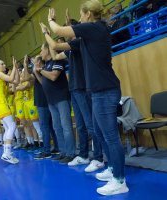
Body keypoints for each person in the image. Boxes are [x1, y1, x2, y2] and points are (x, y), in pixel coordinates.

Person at [46, 0, 128, 195]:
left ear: (88, 15)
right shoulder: (88, 35)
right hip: (98, 91)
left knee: (110, 136)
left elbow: (59, 30)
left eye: (81, 15)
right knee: (100, 134)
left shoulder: (94, 28)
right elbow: (59, 44)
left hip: (106, 90)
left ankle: (120, 180)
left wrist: (51, 20)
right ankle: (112, 169)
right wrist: (54, 30)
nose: (80, 19)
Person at [40, 9, 104, 172]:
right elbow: (54, 55)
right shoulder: (71, 47)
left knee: (90, 125)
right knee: (81, 126)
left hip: (82, 88)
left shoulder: (79, 43)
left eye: (69, 28)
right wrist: (62, 27)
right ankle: (83, 155)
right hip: (74, 89)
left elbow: (54, 45)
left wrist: (46, 32)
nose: (67, 31)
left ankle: (98, 157)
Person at [35, 42, 76, 165]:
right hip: (51, 101)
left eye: (42, 50)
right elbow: (43, 83)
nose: (41, 53)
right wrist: (37, 72)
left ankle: (71, 153)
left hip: (62, 98)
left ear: (48, 50)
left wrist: (40, 70)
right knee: (57, 128)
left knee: (66, 127)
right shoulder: (47, 65)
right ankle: (63, 152)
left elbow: (53, 76)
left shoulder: (57, 61)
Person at [0, 57, 19, 164]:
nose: (4, 65)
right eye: (1, 64)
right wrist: (13, 67)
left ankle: (6, 152)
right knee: (12, 126)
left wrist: (16, 68)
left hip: (0, 103)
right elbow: (12, 79)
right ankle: (7, 154)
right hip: (0, 103)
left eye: (4, 63)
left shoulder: (2, 80)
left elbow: (15, 82)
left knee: (8, 127)